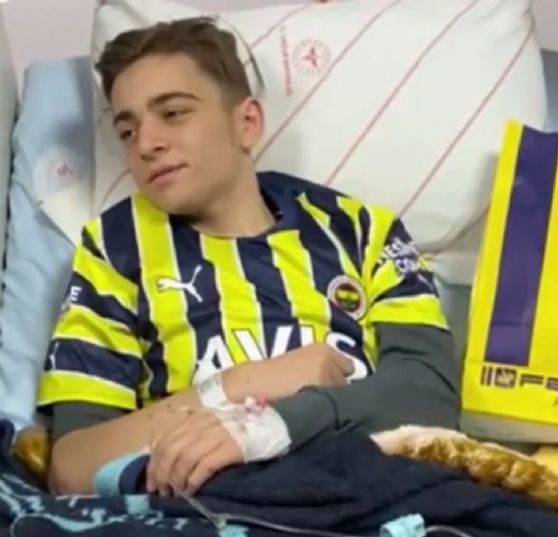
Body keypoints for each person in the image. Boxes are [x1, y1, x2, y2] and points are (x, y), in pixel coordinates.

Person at [39, 17, 461, 496]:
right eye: (127, 131)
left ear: (246, 123)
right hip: (208, 514)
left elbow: (430, 397)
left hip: (373, 496)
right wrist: (238, 386)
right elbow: (72, 468)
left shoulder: (361, 232)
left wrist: (274, 424)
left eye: (173, 113)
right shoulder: (115, 249)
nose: (147, 144)